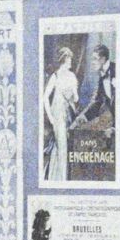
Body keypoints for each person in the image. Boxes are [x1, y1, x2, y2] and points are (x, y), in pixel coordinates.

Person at [42, 46, 79, 180]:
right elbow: (45, 97)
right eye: (69, 59)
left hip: (68, 115)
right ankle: (61, 179)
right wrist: (51, 118)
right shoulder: (55, 76)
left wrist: (72, 95)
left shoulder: (72, 76)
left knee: (62, 148)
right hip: (57, 116)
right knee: (61, 146)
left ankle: (55, 178)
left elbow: (76, 98)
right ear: (64, 59)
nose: (70, 62)